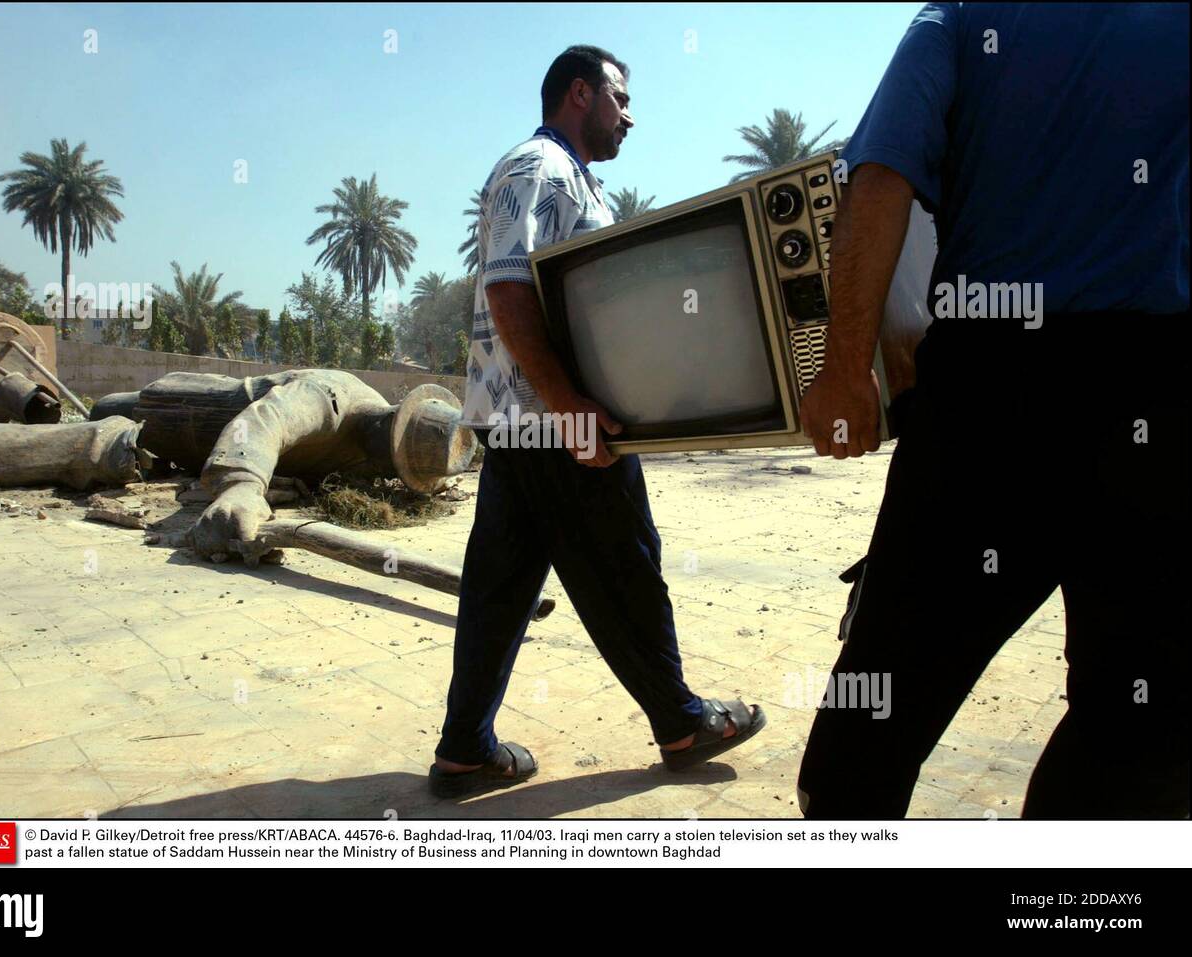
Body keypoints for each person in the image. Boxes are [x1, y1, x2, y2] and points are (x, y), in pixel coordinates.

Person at [797, 3, 1189, 818]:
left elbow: (882, 176)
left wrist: (843, 372)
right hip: (1153, 399)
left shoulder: (962, 16)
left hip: (990, 399)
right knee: (1139, 719)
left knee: (877, 712)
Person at [430, 46, 764, 797]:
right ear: (579, 94)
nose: (630, 115)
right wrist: (574, 406)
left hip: (526, 424)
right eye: (620, 97)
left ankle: (463, 748)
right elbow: (510, 290)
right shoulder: (537, 168)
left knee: (501, 585)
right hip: (557, 425)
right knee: (625, 566)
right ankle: (683, 722)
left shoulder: (570, 179)